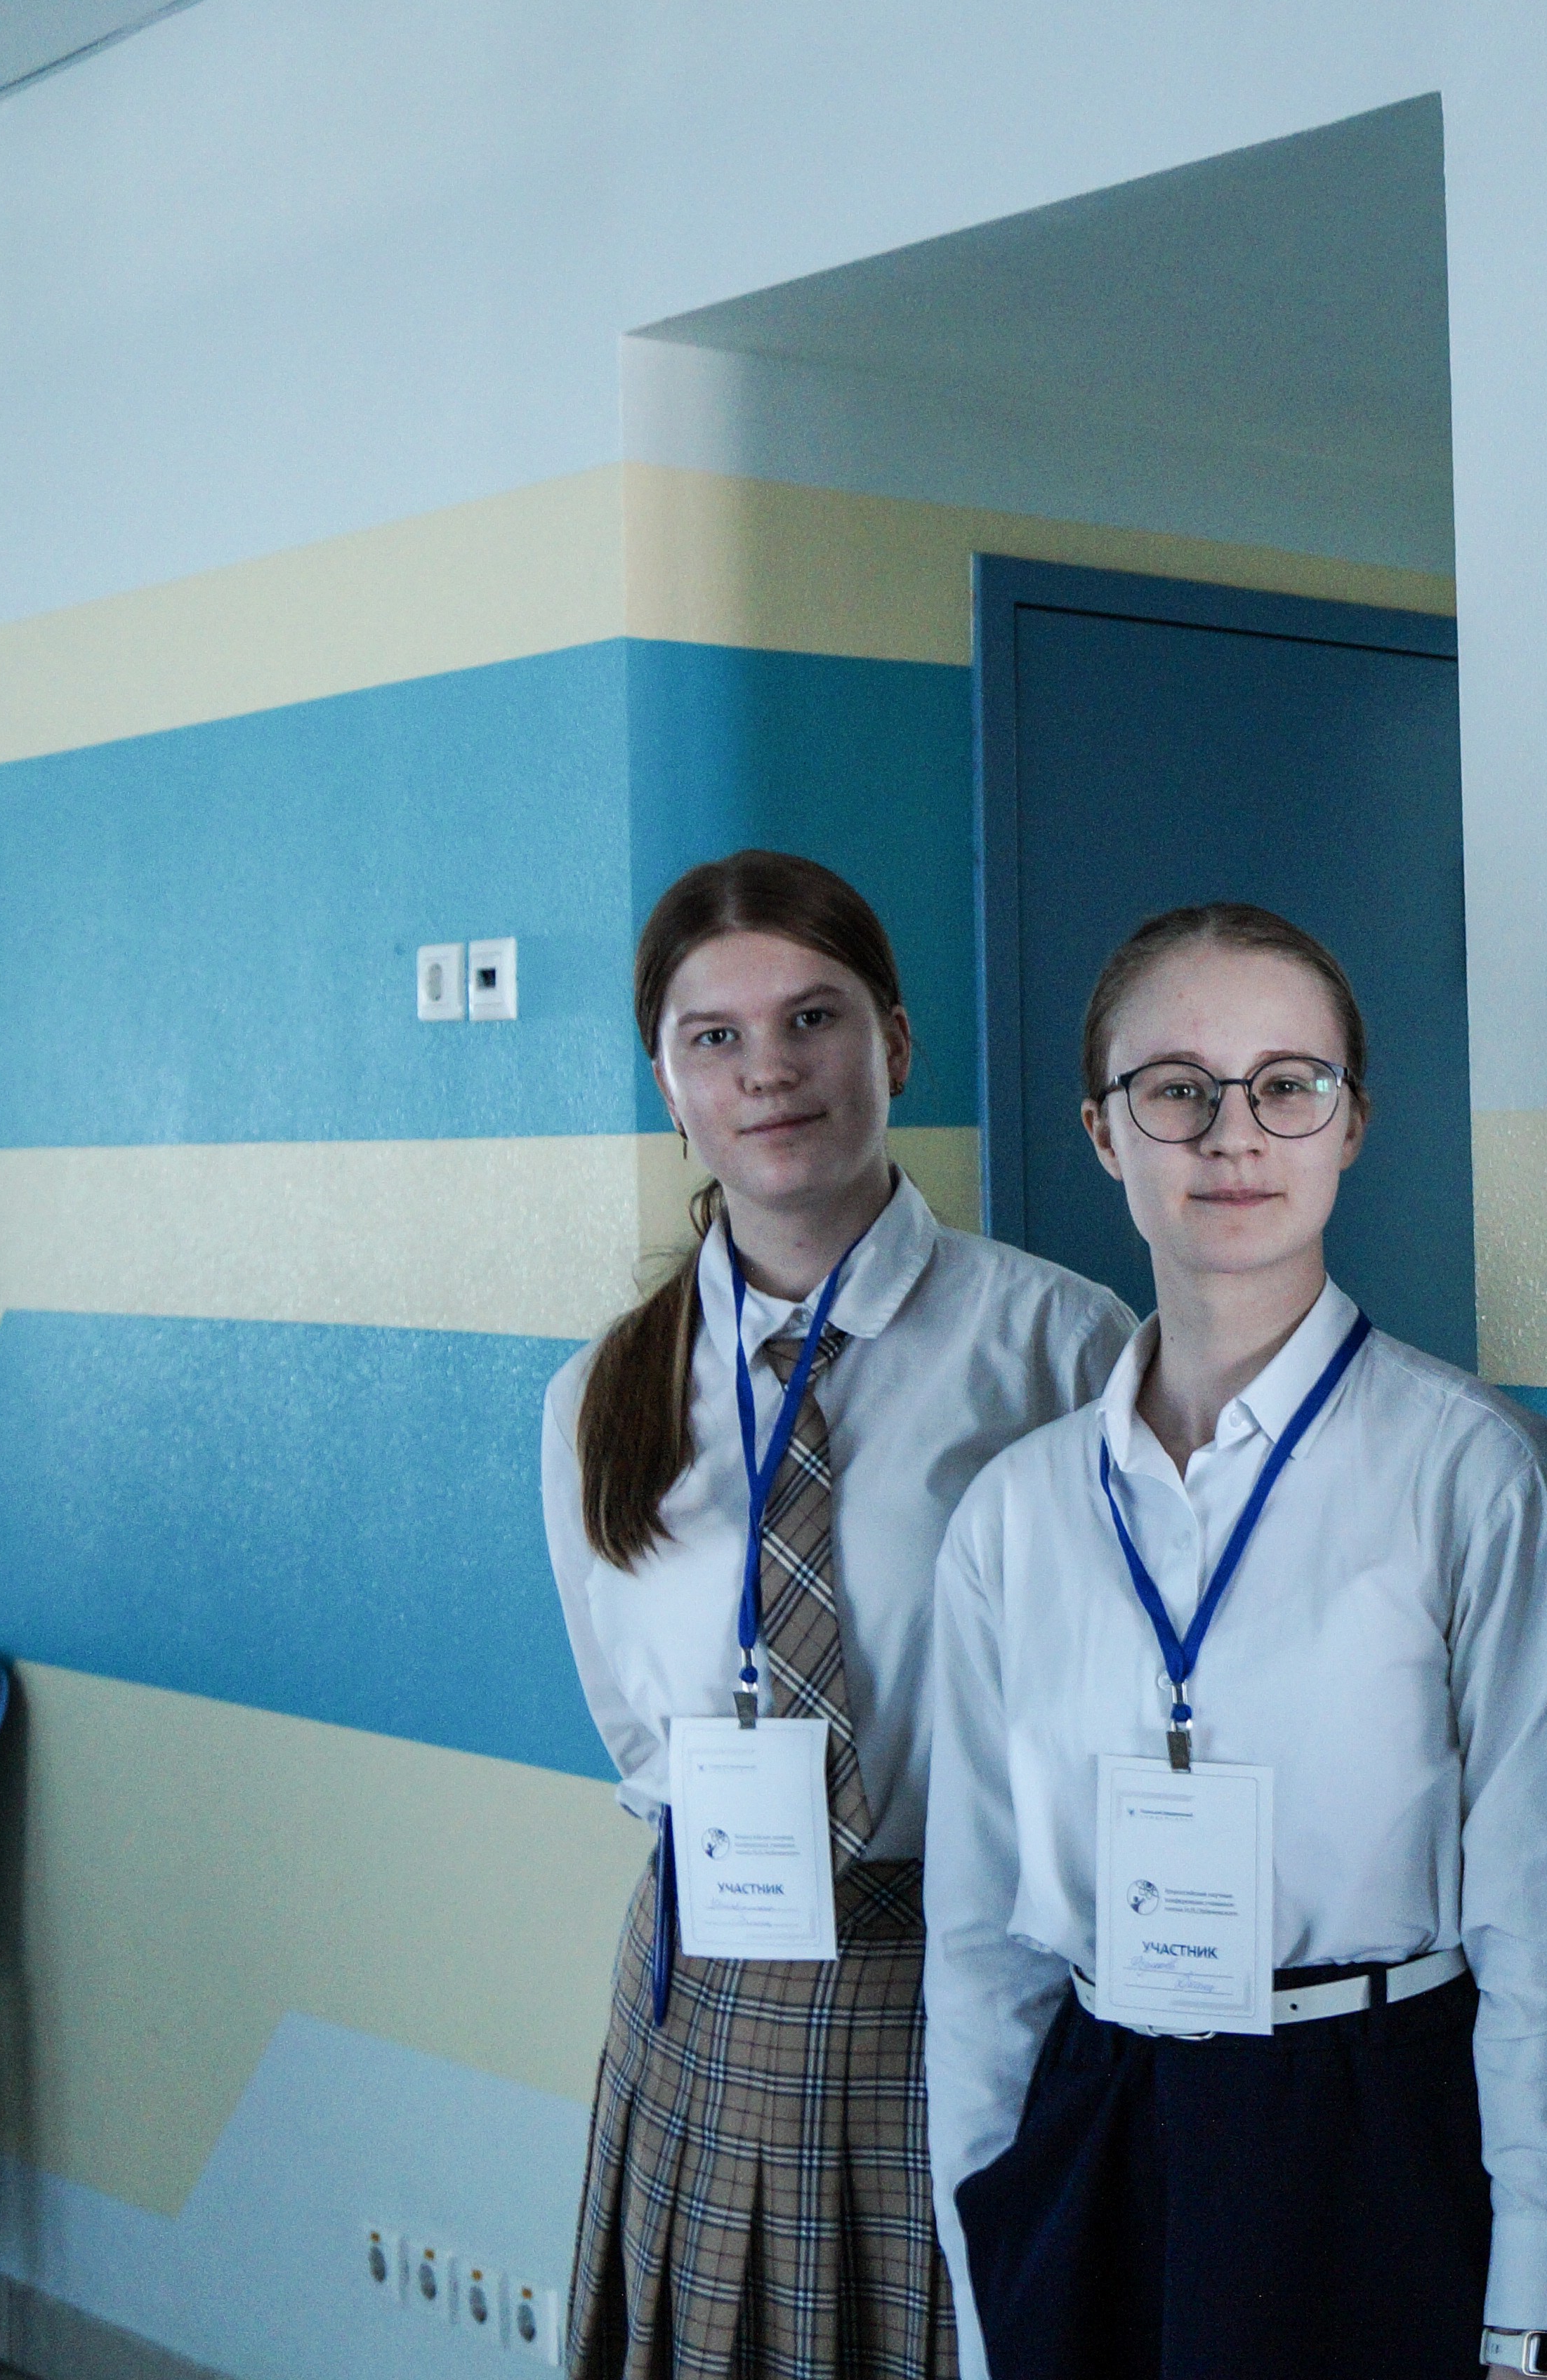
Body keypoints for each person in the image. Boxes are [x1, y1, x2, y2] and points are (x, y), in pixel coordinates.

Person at [926, 902, 1547, 2380]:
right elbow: (983, 1948)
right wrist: (988, 2256)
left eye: (1287, 1084)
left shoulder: (1475, 1473)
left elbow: (1544, 1927)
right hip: (1101, 2128)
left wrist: (1541, 2302)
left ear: (1352, 1122)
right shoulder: (1015, 1514)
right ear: (1104, 1132)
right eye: (1175, 1089)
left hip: (1381, 2132)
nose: (1233, 1134)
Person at [547, 849, 1134, 2380]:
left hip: (973, 1973)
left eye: (813, 1017)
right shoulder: (599, 1395)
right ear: (668, 1083)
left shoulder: (1062, 1347)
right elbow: (631, 1725)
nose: (769, 1071)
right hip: (710, 1991)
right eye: (716, 1037)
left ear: (897, 1042)